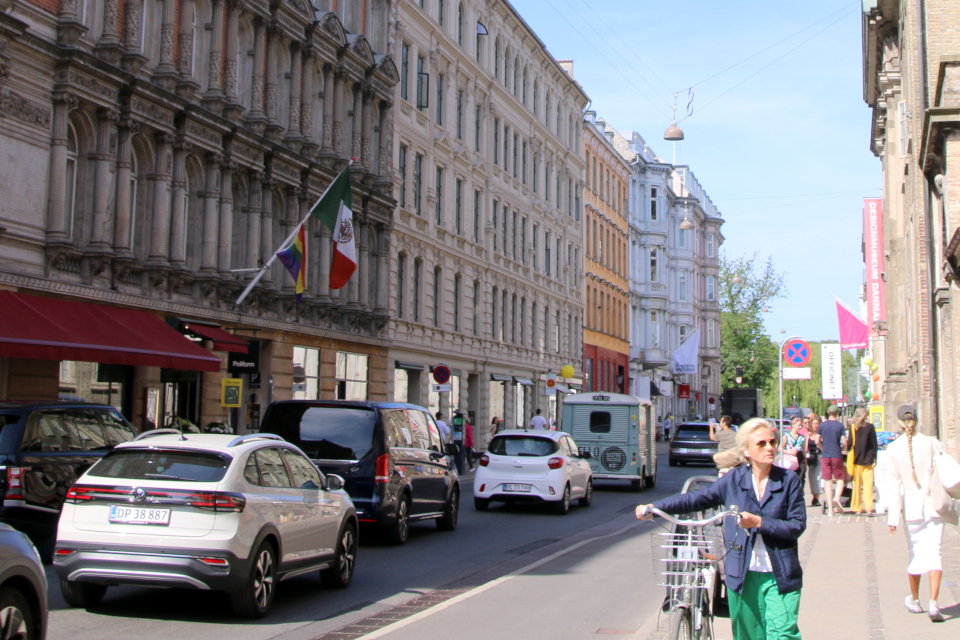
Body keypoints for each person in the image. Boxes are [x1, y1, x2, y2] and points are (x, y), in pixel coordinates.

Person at [636, 418, 806, 640]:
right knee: (749, 636)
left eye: (772, 442)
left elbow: (797, 525)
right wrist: (654, 506)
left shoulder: (788, 480)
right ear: (746, 451)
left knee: (783, 634)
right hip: (744, 575)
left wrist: (758, 522)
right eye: (761, 444)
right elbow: (696, 499)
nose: (769, 448)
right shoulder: (734, 480)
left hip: (780, 574)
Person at [886, 404, 949, 622]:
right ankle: (933, 602)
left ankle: (915, 599)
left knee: (915, 553)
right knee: (936, 553)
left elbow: (894, 486)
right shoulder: (931, 442)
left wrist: (892, 518)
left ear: (900, 422)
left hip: (911, 510)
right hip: (933, 507)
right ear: (916, 420)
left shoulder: (892, 449)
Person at [849, 406, 879, 515]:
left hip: (856, 460)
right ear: (864, 415)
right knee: (868, 485)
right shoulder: (870, 427)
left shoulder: (853, 427)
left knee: (856, 486)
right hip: (868, 459)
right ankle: (869, 508)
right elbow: (874, 444)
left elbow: (849, 444)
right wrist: (875, 457)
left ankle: (857, 508)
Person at [818, 405, 846, 516]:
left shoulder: (822, 425)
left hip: (825, 455)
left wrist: (822, 448)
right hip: (836, 455)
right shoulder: (840, 426)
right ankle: (837, 498)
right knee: (840, 479)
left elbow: (817, 441)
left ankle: (830, 510)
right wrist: (842, 449)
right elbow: (844, 442)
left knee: (828, 481)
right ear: (837, 414)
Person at [782, 418, 806, 496]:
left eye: (801, 426)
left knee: (801, 475)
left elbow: (804, 449)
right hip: (790, 458)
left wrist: (805, 460)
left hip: (800, 457)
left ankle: (799, 493)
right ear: (793, 425)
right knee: (791, 475)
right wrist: (789, 452)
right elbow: (780, 448)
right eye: (799, 425)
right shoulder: (786, 436)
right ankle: (790, 492)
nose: (800, 427)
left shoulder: (802, 437)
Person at [805, 417, 823, 507]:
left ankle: (817, 498)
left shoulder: (822, 435)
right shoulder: (808, 435)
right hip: (810, 458)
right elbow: (805, 447)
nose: (816, 426)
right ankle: (814, 496)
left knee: (818, 477)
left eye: (817, 424)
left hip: (819, 457)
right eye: (814, 424)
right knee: (812, 478)